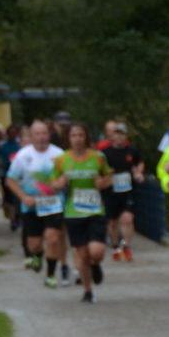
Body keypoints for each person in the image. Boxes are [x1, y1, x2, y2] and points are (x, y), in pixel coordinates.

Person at [54, 121, 112, 303]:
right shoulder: (62, 159)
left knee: (97, 251)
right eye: (74, 136)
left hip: (95, 210)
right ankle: (88, 291)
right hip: (73, 212)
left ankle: (96, 264)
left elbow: (109, 176)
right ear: (68, 139)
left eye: (80, 135)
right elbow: (53, 183)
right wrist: (59, 184)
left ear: (86, 137)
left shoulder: (98, 157)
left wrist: (103, 183)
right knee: (82, 254)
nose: (77, 139)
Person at [6, 119, 67, 289]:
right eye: (37, 134)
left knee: (53, 237)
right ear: (31, 136)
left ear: (49, 134)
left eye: (44, 133)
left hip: (53, 202)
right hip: (31, 203)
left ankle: (50, 276)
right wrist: (23, 197)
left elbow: (66, 175)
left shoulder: (59, 154)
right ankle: (37, 256)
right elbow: (10, 180)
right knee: (34, 243)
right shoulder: (23, 156)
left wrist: (60, 183)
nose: (41, 137)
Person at [99, 120, 144, 262]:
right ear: (112, 136)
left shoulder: (132, 151)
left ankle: (127, 247)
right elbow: (99, 170)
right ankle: (115, 246)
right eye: (116, 134)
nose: (119, 137)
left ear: (126, 136)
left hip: (128, 191)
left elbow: (140, 163)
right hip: (111, 191)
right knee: (112, 222)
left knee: (127, 219)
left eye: (122, 134)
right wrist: (106, 177)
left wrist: (139, 173)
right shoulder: (105, 153)